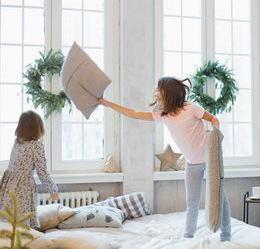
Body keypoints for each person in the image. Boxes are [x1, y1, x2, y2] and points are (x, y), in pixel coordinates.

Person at [99, 77, 231, 241]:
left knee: (220, 198)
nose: (155, 93)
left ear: (168, 93)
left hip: (210, 159)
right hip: (192, 164)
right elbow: (134, 113)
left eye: (158, 90)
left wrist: (216, 133)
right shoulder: (164, 115)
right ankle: (188, 236)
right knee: (192, 202)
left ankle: (226, 235)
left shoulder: (191, 109)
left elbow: (213, 119)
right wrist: (108, 104)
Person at [0, 110, 58, 228]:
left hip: (9, 183)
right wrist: (53, 190)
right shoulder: (37, 145)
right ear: (37, 128)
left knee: (9, 218)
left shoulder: (18, 142)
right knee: (22, 220)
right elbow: (42, 172)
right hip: (23, 186)